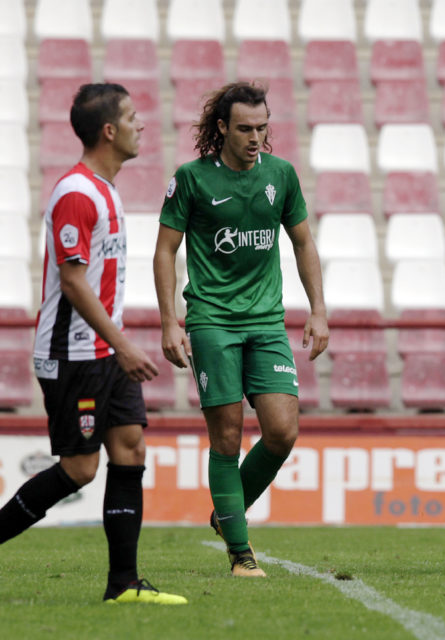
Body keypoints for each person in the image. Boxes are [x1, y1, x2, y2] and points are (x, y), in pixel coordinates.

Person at [0, 84, 187, 604]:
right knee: (81, 468)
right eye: (131, 116)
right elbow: (74, 280)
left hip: (102, 352)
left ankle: (123, 585)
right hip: (74, 355)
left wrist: (117, 347)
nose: (140, 123)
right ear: (109, 130)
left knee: (130, 450)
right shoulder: (79, 193)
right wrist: (123, 344)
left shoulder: (105, 189)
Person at [154, 82, 329, 577]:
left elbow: (302, 243)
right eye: (246, 128)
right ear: (223, 129)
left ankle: (227, 512)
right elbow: (165, 250)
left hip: (267, 321)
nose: (256, 137)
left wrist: (318, 309)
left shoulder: (281, 175)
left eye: (263, 127)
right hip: (211, 320)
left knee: (282, 431)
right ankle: (240, 551)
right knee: (227, 438)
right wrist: (171, 320)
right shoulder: (190, 179)